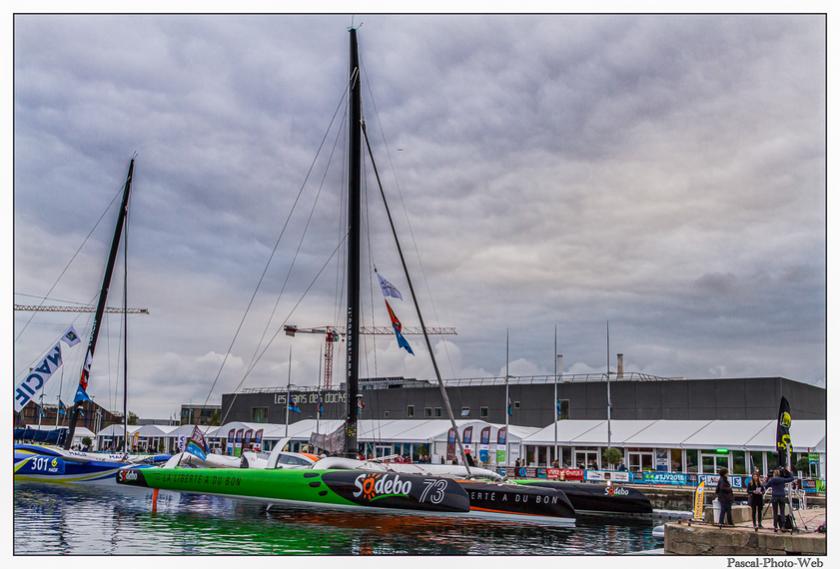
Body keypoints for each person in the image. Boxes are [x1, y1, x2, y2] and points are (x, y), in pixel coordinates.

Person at [763, 468, 796, 532]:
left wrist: (767, 479)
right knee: (782, 512)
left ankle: (775, 527)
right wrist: (788, 472)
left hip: (774, 496)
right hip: (782, 496)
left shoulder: (772, 480)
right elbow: (791, 478)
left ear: (774, 474)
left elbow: (765, 486)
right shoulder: (782, 479)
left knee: (775, 512)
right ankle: (783, 526)